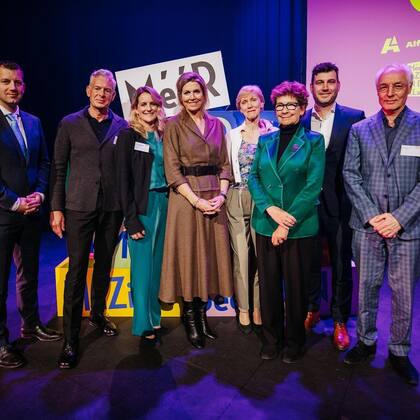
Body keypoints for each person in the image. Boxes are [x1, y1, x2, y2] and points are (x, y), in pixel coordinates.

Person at [343, 63, 420, 386]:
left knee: (403, 293)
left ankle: (399, 351)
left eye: (397, 86)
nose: (390, 93)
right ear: (377, 91)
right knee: (366, 287)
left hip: (408, 227)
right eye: (384, 87)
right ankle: (366, 341)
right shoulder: (360, 129)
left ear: (409, 87)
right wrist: (373, 215)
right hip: (367, 225)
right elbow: (350, 174)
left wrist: (399, 218)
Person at [49, 69, 128, 368]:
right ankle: (70, 339)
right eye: (97, 88)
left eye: (107, 90)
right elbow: (59, 168)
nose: (101, 94)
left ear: (113, 95)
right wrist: (56, 208)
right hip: (78, 207)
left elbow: (125, 172)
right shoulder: (69, 123)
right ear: (88, 90)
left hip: (111, 209)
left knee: (104, 265)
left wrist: (123, 210)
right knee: (77, 269)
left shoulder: (122, 125)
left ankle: (97, 314)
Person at [248, 81, 325, 362]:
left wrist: (285, 223)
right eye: (279, 105)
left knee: (295, 288)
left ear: (303, 108)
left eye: (291, 105)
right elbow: (253, 177)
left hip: (298, 227)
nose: (284, 110)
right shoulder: (265, 140)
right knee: (268, 286)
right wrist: (269, 210)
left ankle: (294, 341)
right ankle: (271, 339)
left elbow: (313, 187)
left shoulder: (314, 141)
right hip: (266, 224)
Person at [159, 72, 233, 349]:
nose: (192, 96)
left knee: (209, 258)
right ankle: (190, 319)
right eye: (186, 92)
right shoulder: (172, 126)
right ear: (179, 96)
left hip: (215, 196)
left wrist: (222, 195)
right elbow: (172, 169)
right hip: (186, 199)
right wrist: (196, 200)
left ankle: (202, 316)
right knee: (189, 257)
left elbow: (225, 164)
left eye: (196, 91)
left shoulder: (217, 125)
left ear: (204, 94)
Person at [0, 61, 62, 368]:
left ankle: (30, 325)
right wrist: (14, 202)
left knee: (30, 274)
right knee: (1, 281)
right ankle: (1, 342)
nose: (13, 87)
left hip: (31, 212)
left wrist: (39, 193)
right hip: (4, 214)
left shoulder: (34, 122)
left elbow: (44, 163)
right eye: (6, 82)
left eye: (18, 83)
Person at [301, 62, 365, 350]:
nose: (325, 87)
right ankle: (312, 308)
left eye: (330, 82)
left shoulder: (355, 118)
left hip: (341, 206)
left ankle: (340, 320)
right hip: (308, 207)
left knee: (341, 264)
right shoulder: (300, 120)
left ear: (338, 85)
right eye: (319, 82)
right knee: (309, 262)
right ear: (311, 86)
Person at [115, 86, 167, 347]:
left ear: (159, 107)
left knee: (157, 267)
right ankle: (142, 323)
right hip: (142, 208)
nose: (148, 108)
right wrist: (131, 218)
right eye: (143, 104)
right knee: (142, 269)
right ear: (135, 108)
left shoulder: (163, 135)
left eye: (153, 104)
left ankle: (154, 317)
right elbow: (122, 180)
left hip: (165, 203)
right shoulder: (127, 136)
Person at [226, 85, 278, 333]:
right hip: (237, 197)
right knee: (241, 256)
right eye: (244, 101)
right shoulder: (233, 135)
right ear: (239, 107)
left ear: (261, 102)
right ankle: (243, 308)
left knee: (261, 256)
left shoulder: (273, 133)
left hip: (263, 200)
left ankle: (258, 307)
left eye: (253, 100)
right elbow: (226, 169)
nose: (249, 105)